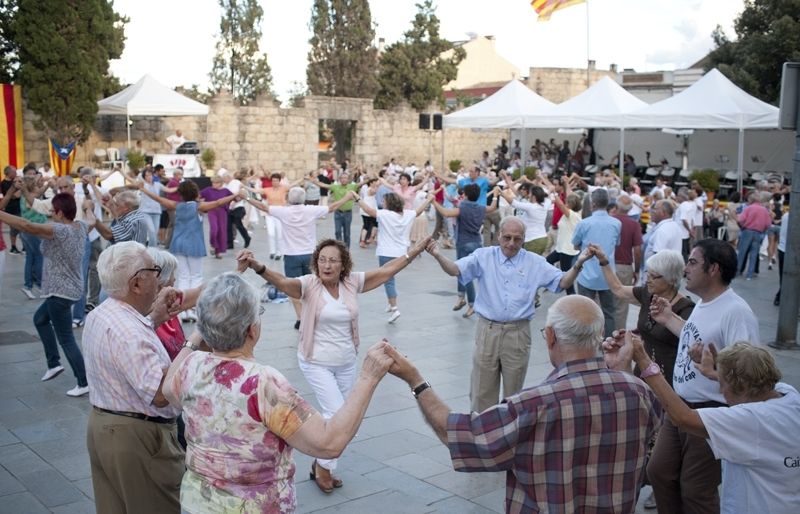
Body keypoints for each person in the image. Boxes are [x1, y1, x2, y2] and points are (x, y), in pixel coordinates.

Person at [386, 295, 662, 513]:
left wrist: (415, 380)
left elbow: (457, 434)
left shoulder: (534, 404)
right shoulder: (638, 390)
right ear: (599, 333)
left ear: (551, 336)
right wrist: (616, 371)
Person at [236, 237, 427, 493]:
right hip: (315, 362)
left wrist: (413, 251)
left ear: (342, 264)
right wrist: (258, 266)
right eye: (322, 260)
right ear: (316, 262)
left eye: (333, 260)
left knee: (340, 419)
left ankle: (321, 464)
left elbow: (385, 271)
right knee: (339, 415)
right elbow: (282, 282)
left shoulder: (352, 282)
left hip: (347, 361)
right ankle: (324, 468)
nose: (327, 265)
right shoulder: (308, 285)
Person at [604, 335, 800, 514]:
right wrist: (715, 372)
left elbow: (683, 418)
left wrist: (644, 360)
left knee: (696, 489)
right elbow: (750, 381)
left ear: (741, 386)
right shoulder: (788, 395)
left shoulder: (751, 421)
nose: (721, 390)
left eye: (722, 383)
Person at [425, 216, 591, 412]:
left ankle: (510, 434)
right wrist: (437, 254)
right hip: (487, 329)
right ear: (498, 236)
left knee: (514, 394)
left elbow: (562, 282)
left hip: (518, 332)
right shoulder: (483, 256)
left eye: (517, 239)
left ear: (524, 239)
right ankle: (482, 433)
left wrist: (579, 263)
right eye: (507, 238)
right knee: (481, 391)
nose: (511, 244)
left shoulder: (534, 262)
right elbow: (455, 270)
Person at [646, 238, 760, 514]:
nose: (686, 268)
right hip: (681, 408)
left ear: (714, 270)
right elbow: (696, 339)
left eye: (693, 262)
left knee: (696, 490)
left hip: (712, 413)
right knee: (659, 472)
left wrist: (715, 371)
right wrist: (669, 319)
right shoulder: (704, 303)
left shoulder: (736, 312)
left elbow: (751, 371)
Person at [83, 242, 185, 513]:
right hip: (136, 438)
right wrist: (192, 348)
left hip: (104, 427)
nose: (159, 278)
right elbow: (160, 394)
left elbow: (125, 350)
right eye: (154, 270)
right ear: (137, 284)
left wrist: (153, 319)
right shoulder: (130, 331)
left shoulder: (101, 314)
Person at [0, 191, 91, 396]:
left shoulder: (59, 230)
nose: (50, 214)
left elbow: (26, 225)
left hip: (60, 292)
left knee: (66, 338)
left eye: (52, 211)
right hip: (70, 289)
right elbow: (91, 219)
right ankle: (54, 363)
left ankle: (83, 381)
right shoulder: (81, 226)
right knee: (40, 319)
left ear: (60, 213)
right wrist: (89, 207)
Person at [244, 186, 354, 330]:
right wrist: (347, 197)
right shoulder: (310, 210)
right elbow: (332, 207)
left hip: (291, 255)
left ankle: (300, 318)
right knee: (311, 287)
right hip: (309, 255)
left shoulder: (283, 211)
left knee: (293, 289)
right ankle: (313, 316)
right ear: (304, 198)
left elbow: (263, 207)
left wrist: (246, 198)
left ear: (289, 198)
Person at [137, 180, 238, 321]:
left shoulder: (176, 205)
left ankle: (181, 309)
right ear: (195, 192)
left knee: (183, 276)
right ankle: (192, 308)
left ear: (181, 194)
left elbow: (158, 198)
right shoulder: (198, 206)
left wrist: (144, 190)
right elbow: (218, 203)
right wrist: (235, 196)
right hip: (194, 244)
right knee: (196, 276)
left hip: (178, 244)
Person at [352, 191, 434, 322]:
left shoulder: (385, 214)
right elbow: (418, 211)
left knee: (387, 280)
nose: (382, 203)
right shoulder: (408, 214)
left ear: (389, 203)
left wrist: (357, 198)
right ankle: (391, 304)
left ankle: (395, 309)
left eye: (384, 201)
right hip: (402, 253)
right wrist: (429, 200)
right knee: (390, 278)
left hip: (386, 252)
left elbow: (368, 210)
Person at [430, 183, 498, 317]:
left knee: (463, 273)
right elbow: (493, 207)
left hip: (463, 243)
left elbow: (446, 213)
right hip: (477, 243)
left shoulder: (463, 207)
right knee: (460, 271)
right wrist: (495, 195)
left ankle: (471, 304)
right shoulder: (481, 207)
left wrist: (433, 201)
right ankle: (461, 297)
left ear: (465, 195)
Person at [571, 188, 621, 338]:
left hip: (586, 274)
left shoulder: (584, 223)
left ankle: (585, 341)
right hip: (607, 275)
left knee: (584, 311)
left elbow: (575, 244)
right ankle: (610, 341)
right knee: (609, 313)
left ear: (592, 204)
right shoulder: (616, 223)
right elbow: (615, 244)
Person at [610, 195, 643, 329]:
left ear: (617, 206)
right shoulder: (634, 225)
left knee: (604, 302)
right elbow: (637, 250)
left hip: (607, 265)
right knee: (621, 306)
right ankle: (617, 337)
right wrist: (636, 270)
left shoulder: (610, 221)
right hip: (624, 266)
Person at [310, 171, 359, 247]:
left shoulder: (352, 186)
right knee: (337, 232)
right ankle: (340, 249)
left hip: (348, 213)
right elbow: (323, 185)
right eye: (342, 178)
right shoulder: (335, 187)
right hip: (338, 213)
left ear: (348, 179)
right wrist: (314, 181)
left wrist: (370, 179)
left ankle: (347, 251)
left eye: (345, 178)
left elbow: (362, 183)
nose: (343, 179)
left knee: (347, 233)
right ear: (339, 179)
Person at [736, 191, 772, 280]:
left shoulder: (748, 208)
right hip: (758, 233)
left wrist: (743, 226)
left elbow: (741, 219)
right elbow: (768, 224)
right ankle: (750, 274)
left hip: (747, 231)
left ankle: (737, 271)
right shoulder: (764, 210)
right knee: (754, 254)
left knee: (742, 253)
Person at [199, 175, 233, 258]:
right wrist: (201, 204)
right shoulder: (208, 190)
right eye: (213, 182)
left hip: (222, 212)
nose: (214, 184)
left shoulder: (226, 191)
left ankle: (218, 252)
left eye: (216, 183)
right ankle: (213, 244)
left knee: (221, 231)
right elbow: (198, 196)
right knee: (214, 229)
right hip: (212, 211)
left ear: (221, 183)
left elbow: (233, 198)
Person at [219, 168, 251, 250]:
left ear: (228, 177)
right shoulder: (224, 186)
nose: (224, 181)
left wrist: (236, 200)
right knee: (228, 225)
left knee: (238, 223)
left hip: (238, 206)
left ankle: (247, 238)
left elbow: (242, 192)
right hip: (229, 208)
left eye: (224, 179)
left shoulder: (236, 182)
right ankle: (230, 243)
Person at [1, 165, 22, 254]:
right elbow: (14, 196)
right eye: (14, 172)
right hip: (11, 209)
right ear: (8, 173)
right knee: (14, 228)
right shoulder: (3, 183)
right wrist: (19, 190)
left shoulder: (16, 181)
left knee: (20, 227)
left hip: (19, 207)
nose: (16, 173)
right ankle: (13, 247)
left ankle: (24, 246)